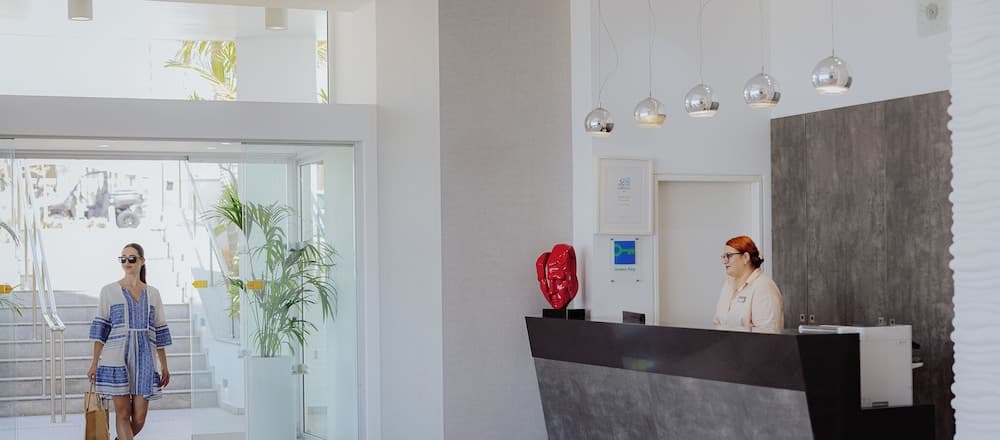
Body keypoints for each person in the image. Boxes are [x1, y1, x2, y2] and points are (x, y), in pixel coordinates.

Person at [88, 243, 172, 440]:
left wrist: (164, 365)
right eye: (123, 258)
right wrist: (94, 363)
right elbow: (101, 329)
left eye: (131, 258)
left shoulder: (153, 293)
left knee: (140, 418)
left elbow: (160, 331)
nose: (127, 262)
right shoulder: (109, 291)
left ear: (142, 261)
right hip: (116, 359)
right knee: (123, 414)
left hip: (145, 360)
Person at [712, 236, 784, 333]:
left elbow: (768, 335)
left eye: (729, 256)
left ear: (745, 257)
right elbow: (717, 324)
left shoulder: (764, 287)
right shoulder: (727, 285)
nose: (725, 261)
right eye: (724, 257)